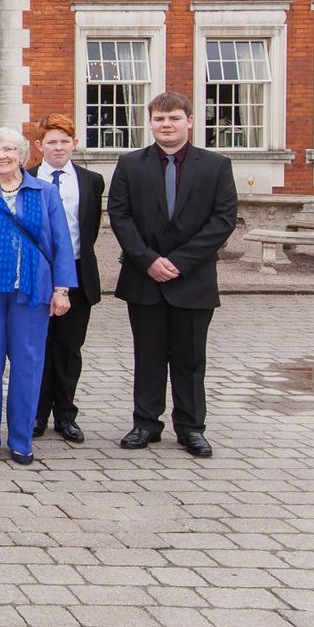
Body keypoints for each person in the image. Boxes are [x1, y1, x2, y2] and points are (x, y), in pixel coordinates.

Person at [107, 92, 237, 459]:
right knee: (147, 356)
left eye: (175, 118)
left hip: (192, 280)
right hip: (143, 278)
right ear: (150, 123)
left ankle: (191, 427)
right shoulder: (130, 164)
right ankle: (146, 423)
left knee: (190, 358)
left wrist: (179, 261)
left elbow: (223, 220)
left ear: (190, 121)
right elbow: (120, 216)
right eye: (160, 119)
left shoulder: (216, 166)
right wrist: (148, 260)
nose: (167, 125)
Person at [0, 127, 76, 465]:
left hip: (31, 292)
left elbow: (61, 244)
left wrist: (61, 290)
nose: (1, 156)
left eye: (8, 150)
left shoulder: (45, 192)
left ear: (22, 155)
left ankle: (21, 439)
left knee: (28, 366)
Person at [28, 114, 103, 444]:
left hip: (76, 275)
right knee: (38, 348)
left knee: (70, 348)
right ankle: (37, 414)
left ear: (74, 144)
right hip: (37, 275)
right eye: (51, 141)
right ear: (38, 146)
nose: (58, 147)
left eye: (64, 141)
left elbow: (89, 231)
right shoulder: (26, 178)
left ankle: (66, 414)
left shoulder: (92, 181)